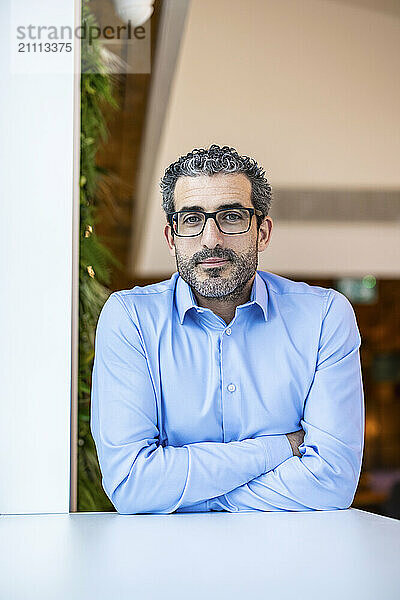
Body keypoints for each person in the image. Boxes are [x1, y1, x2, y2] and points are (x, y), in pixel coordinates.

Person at [90, 144, 365, 514]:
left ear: (262, 232)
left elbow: (331, 484)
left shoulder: (325, 317)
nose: (210, 240)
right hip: (166, 567)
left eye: (231, 217)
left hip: (293, 563)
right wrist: (281, 447)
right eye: (191, 219)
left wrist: (186, 494)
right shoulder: (130, 319)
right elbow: (132, 485)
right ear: (171, 238)